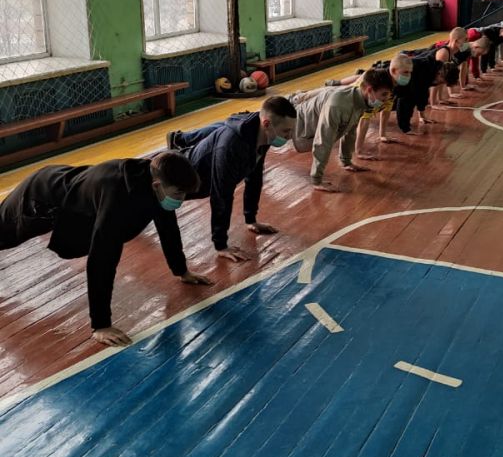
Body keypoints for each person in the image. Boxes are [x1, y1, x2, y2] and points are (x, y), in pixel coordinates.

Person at [0, 152, 206, 347]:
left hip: (67, 194)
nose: (181, 199)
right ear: (157, 185)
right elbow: (102, 259)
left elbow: (168, 227)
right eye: (178, 193)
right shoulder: (119, 197)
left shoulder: (155, 180)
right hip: (38, 197)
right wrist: (101, 325)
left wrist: (182, 271)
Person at [166, 96, 297, 262]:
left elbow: (254, 176)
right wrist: (221, 245)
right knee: (144, 204)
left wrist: (251, 219)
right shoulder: (231, 146)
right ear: (266, 124)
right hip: (180, 179)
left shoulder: (264, 134)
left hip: (203, 178)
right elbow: (221, 195)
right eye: (286, 131)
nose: (290, 136)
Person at [289, 67, 395, 191]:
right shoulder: (339, 105)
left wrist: (347, 162)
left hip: (304, 116)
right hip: (291, 120)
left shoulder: (361, 100)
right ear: (369, 90)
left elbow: (350, 131)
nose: (386, 99)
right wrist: (317, 180)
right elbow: (323, 140)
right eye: (384, 94)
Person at [323, 52, 413, 156]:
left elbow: (386, 110)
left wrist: (382, 135)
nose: (408, 76)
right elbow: (364, 120)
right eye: (406, 72)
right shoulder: (379, 85)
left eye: (410, 72)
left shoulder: (393, 84)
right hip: (341, 100)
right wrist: (359, 151)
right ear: (393, 71)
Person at [395, 58, 460, 133]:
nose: (440, 84)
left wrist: (422, 116)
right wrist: (405, 129)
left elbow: (423, 94)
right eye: (442, 81)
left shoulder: (433, 71)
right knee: (400, 101)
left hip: (406, 81)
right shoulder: (421, 72)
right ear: (439, 73)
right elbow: (405, 99)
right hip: (394, 78)